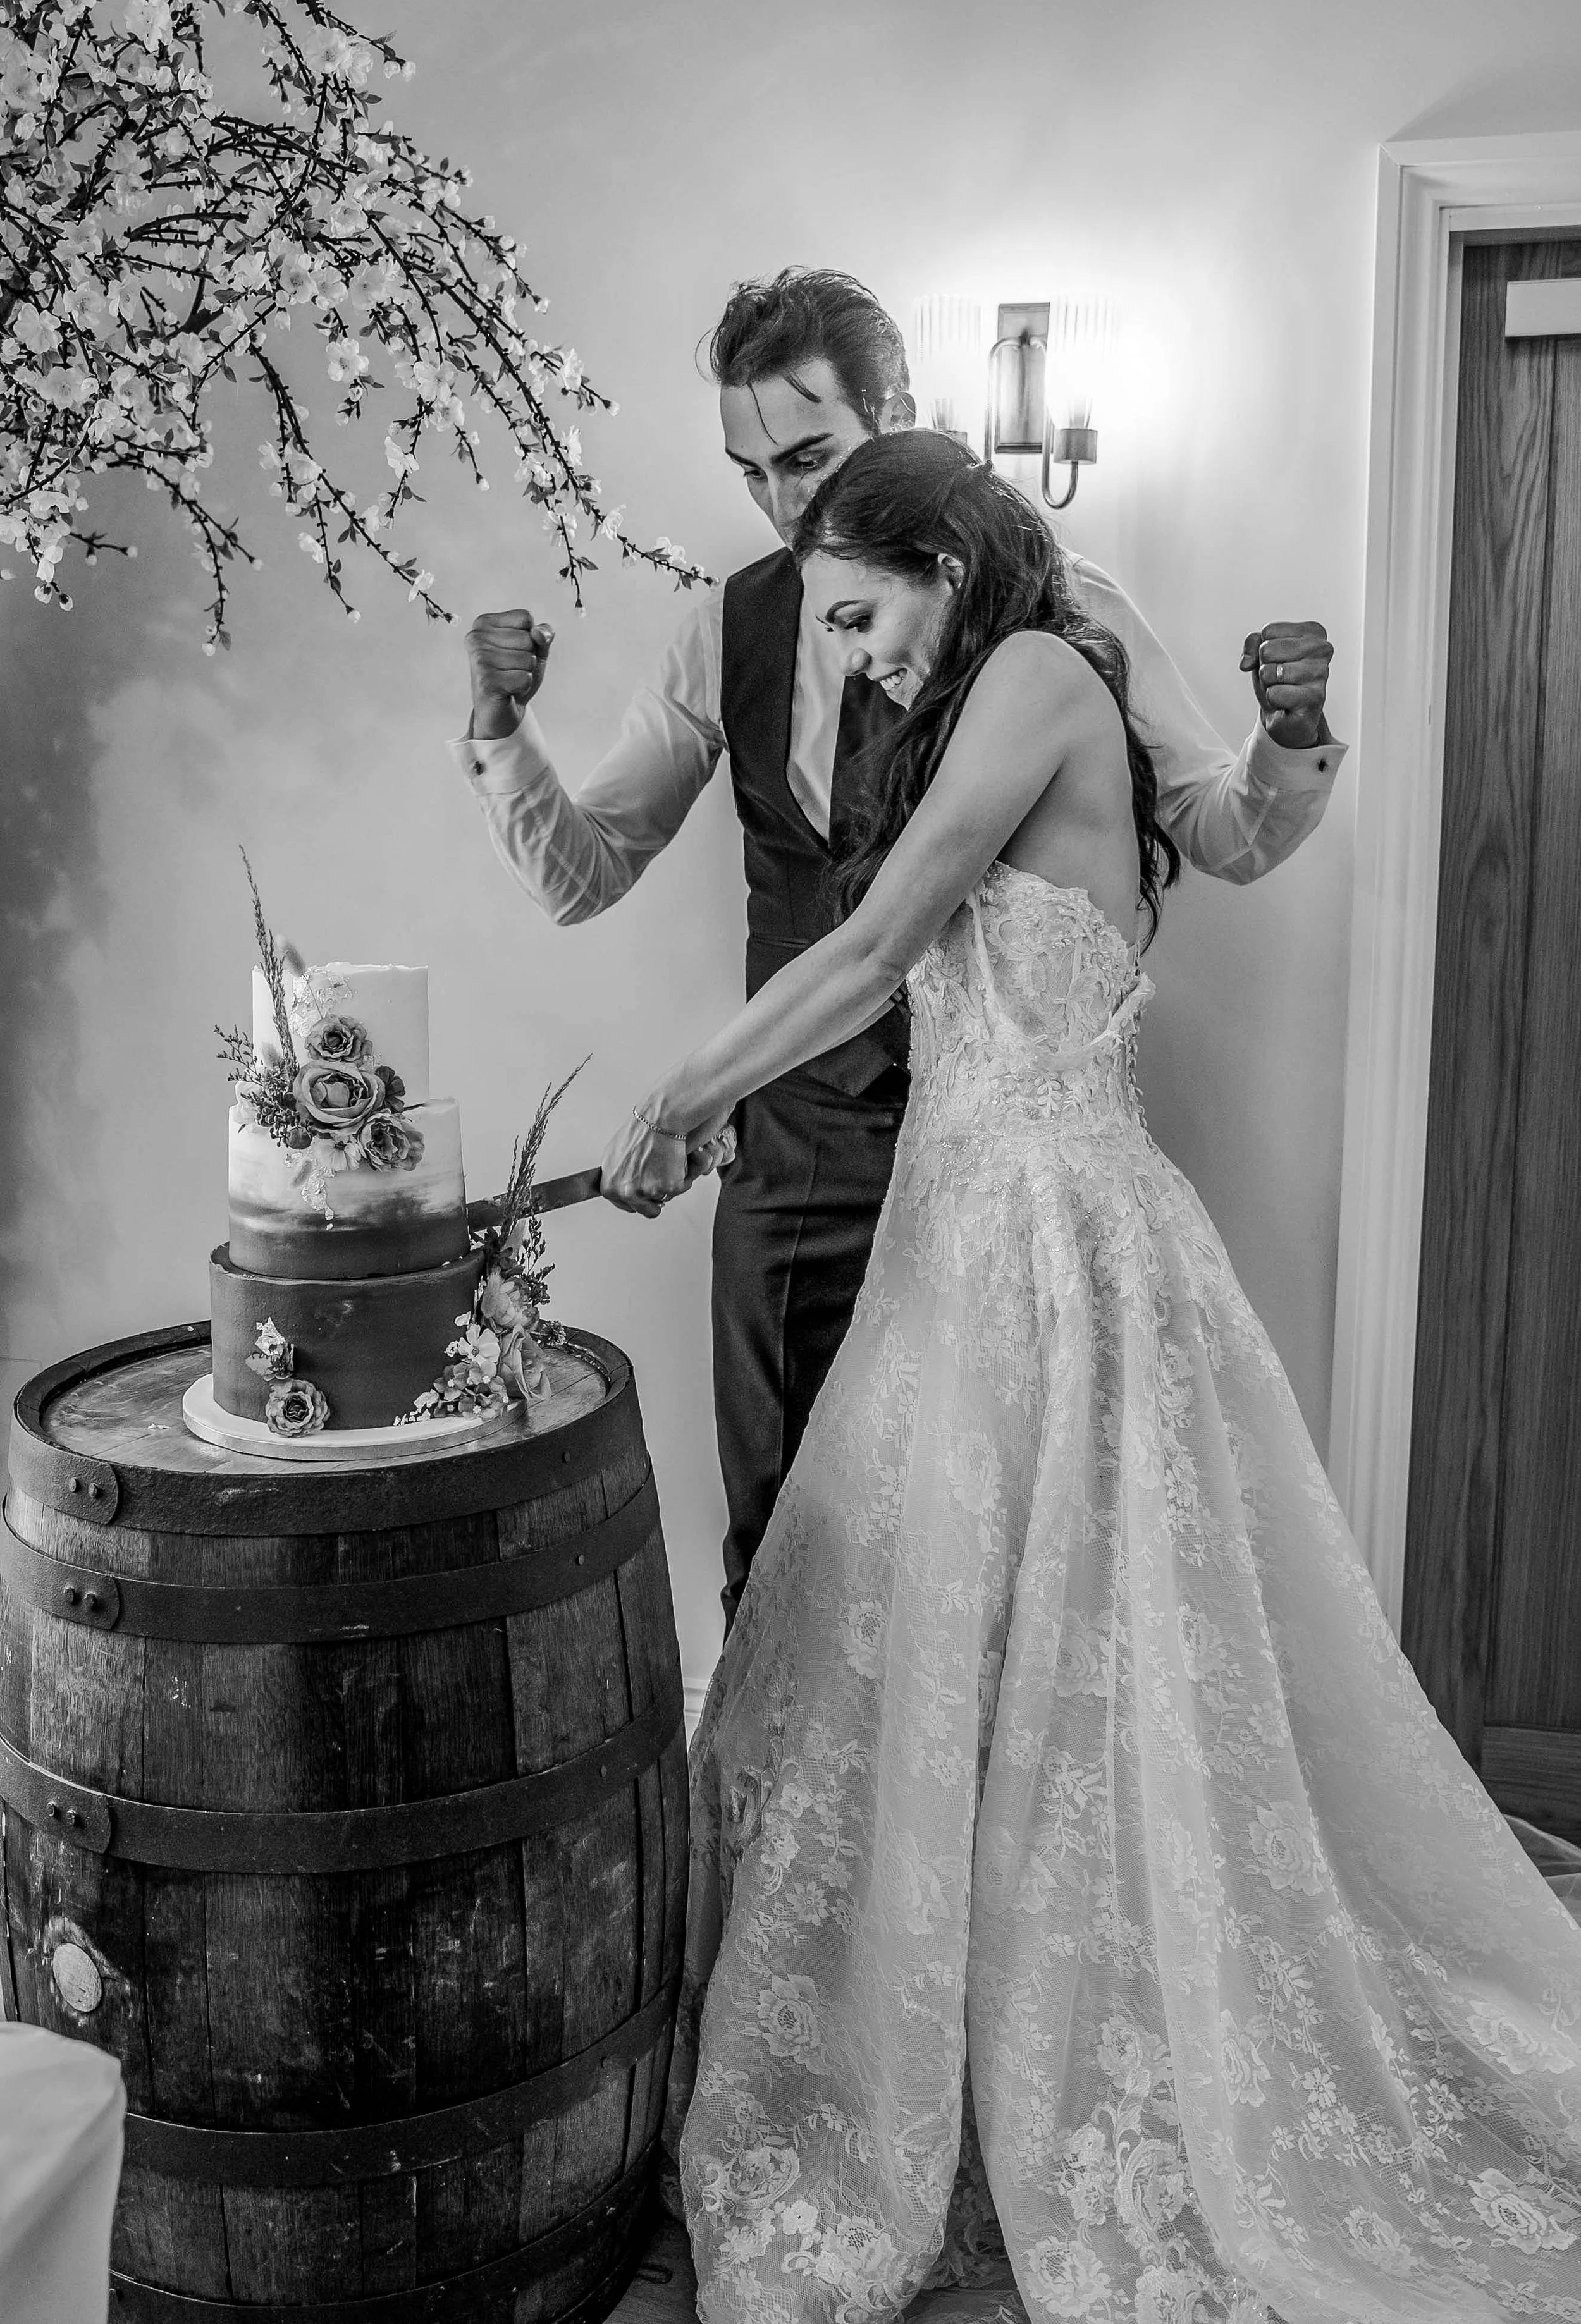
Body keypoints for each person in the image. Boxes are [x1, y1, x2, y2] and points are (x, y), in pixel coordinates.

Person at [599, 431, 1581, 2321]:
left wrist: (684, 1088)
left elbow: (888, 937)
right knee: (939, 1650)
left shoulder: (1050, 669)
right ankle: (956, 2032)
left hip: (1037, 1242)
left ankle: (1039, 2057)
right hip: (973, 1226)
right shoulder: (1007, 688)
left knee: (1057, 1665)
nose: (859, 652)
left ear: (938, 560)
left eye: (863, 611)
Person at [452, 269, 1344, 1632]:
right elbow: (583, 874)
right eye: (750, 471)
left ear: (900, 415)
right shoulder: (727, 627)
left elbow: (1206, 830)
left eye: (807, 456)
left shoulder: (1061, 622)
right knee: (787, 1527)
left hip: (995, 1152)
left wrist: (1284, 743)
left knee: (996, 1552)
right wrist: (502, 733)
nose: (782, 502)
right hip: (797, 1141)